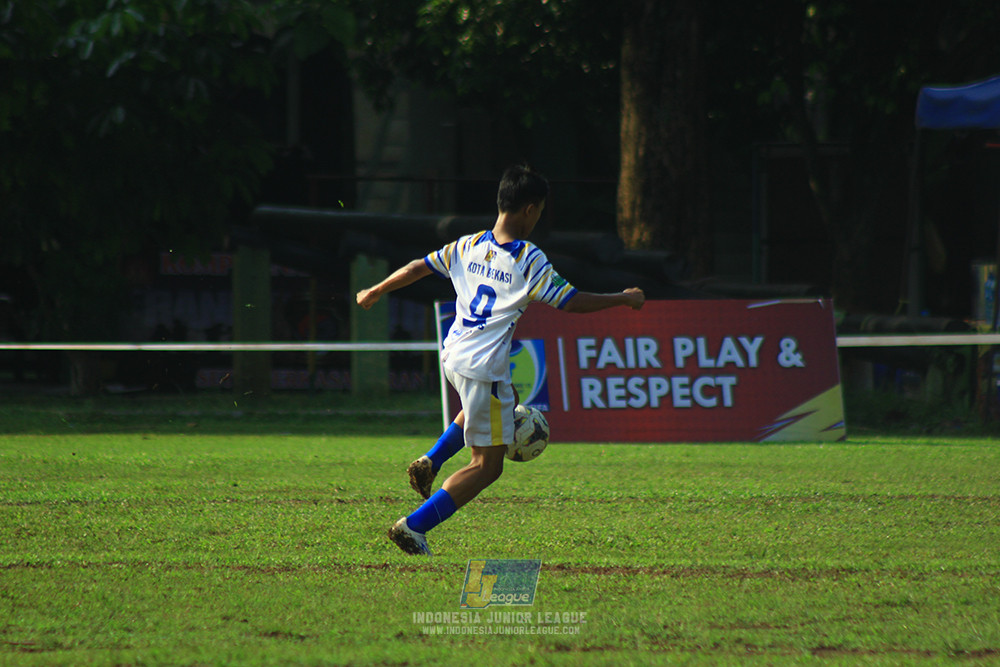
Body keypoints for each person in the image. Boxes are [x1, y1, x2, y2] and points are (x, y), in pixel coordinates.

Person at [356, 164, 645, 555]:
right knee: (487, 467)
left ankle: (430, 461)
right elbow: (571, 301)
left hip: (454, 355)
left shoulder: (468, 244)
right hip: (483, 368)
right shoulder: (527, 258)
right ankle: (413, 527)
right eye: (539, 211)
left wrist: (377, 289)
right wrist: (623, 299)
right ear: (530, 209)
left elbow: (418, 267)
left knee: (495, 406)